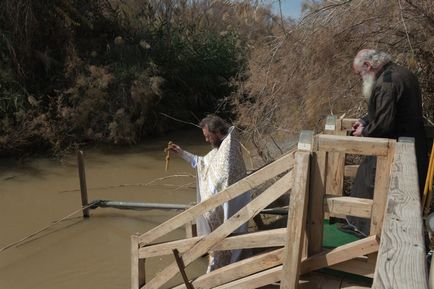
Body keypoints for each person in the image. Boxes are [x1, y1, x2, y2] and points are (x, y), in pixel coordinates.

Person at [342, 49, 429, 237]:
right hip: (412, 145)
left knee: (371, 179)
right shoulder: (402, 73)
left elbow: (384, 124)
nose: (361, 79)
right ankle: (362, 225)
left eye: (360, 74)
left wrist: (364, 131)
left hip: (399, 149)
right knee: (365, 174)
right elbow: (386, 111)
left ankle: (368, 230)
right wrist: (365, 120)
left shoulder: (386, 83)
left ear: (368, 65)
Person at [168, 114, 250, 272]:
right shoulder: (220, 148)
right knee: (221, 241)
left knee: (232, 238)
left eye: (207, 136)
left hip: (233, 204)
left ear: (217, 131)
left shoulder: (229, 147)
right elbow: (202, 163)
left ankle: (228, 268)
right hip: (222, 208)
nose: (206, 140)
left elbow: (223, 177)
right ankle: (223, 260)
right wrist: (181, 152)